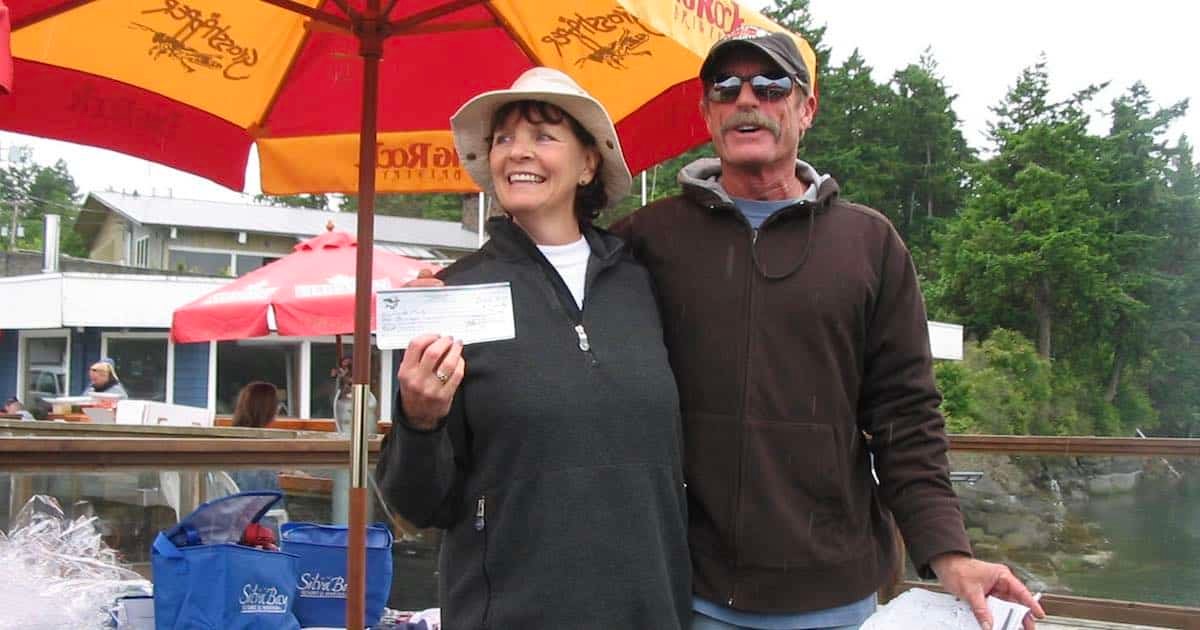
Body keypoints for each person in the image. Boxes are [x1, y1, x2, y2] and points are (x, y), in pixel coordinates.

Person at [610, 26, 1046, 630]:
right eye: (726, 87)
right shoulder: (644, 240)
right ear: (707, 111)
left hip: (833, 598)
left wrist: (949, 554)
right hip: (683, 589)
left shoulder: (870, 244)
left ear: (806, 108)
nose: (746, 100)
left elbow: (906, 417)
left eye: (770, 86)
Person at [375, 67, 690, 629]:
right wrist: (418, 419)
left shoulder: (645, 284)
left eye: (543, 135)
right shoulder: (451, 296)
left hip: (651, 611)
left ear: (588, 163)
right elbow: (422, 506)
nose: (517, 151)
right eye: (503, 139)